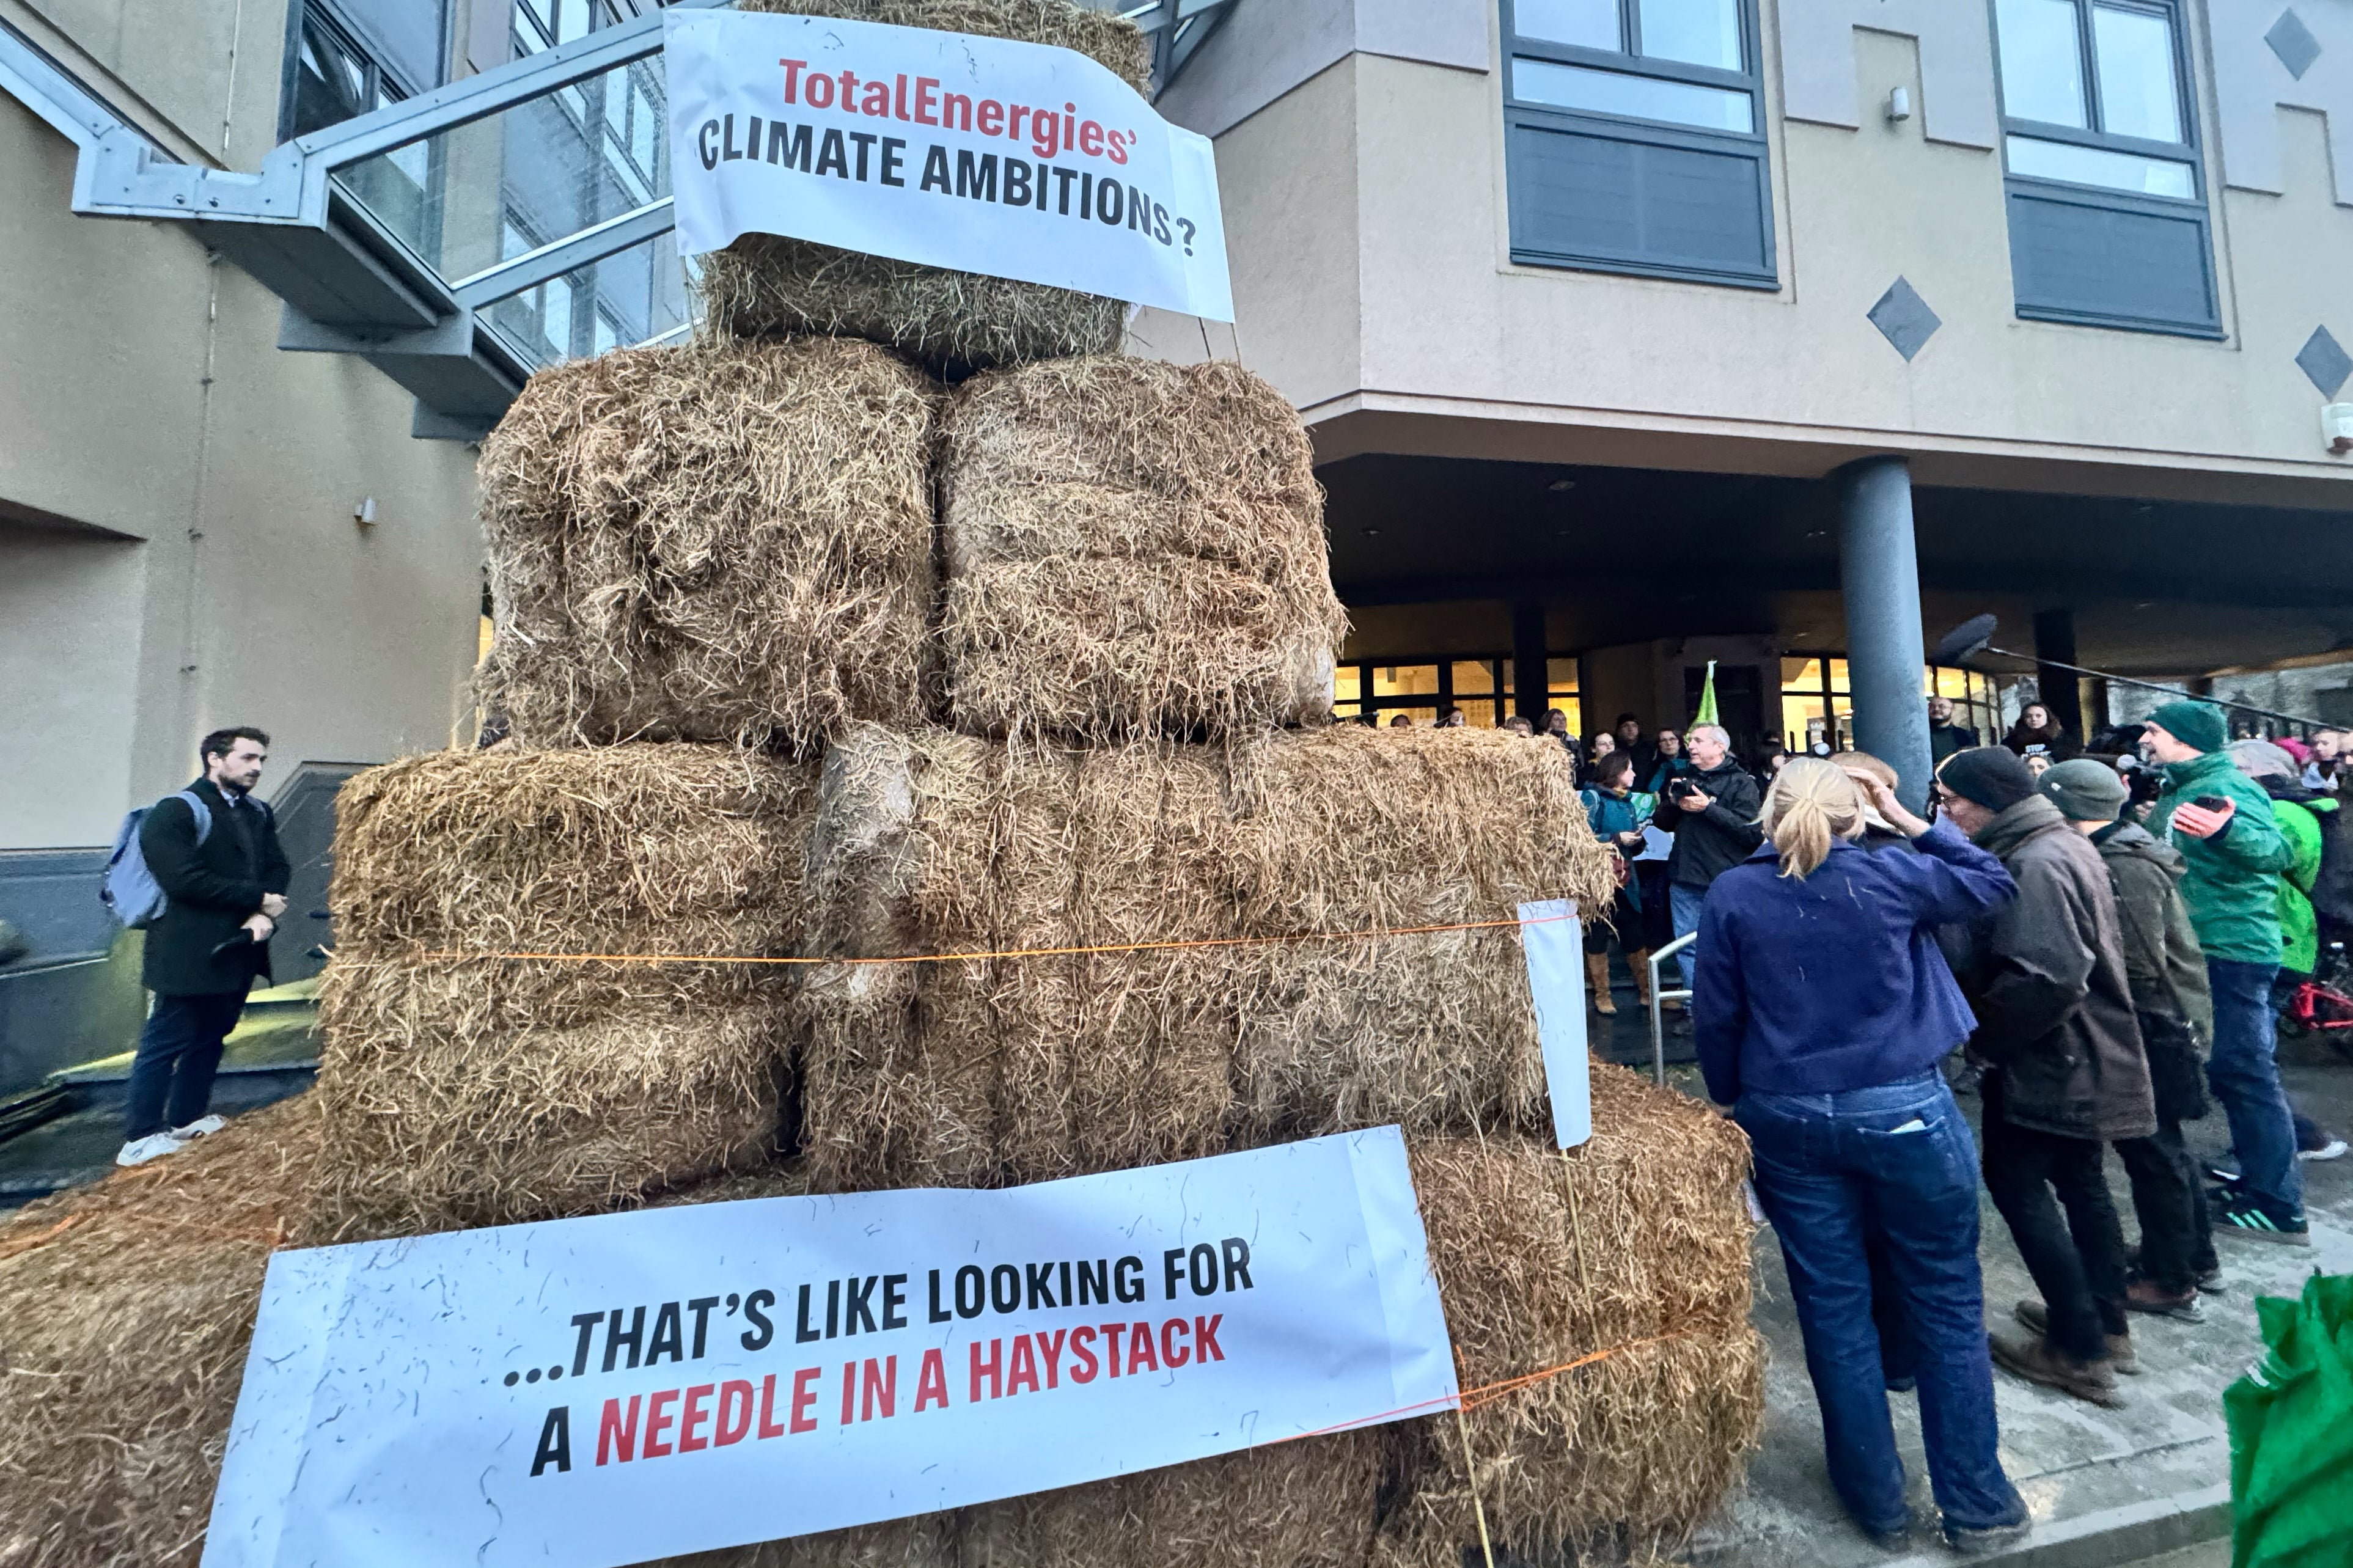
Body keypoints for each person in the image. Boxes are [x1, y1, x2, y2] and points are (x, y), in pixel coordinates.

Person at [1695, 759, 2027, 1551]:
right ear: (1857, 817)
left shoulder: (1734, 893)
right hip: (1903, 1106)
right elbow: (1992, 883)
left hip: (1784, 1113)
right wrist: (1907, 817)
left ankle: (1874, 1500)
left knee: (1832, 1307)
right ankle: (1976, 1503)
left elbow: (1715, 1014)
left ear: (1766, 817)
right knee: (1946, 1304)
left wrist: (1727, 1098)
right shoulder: (1893, 873)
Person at [1934, 747, 2154, 1406]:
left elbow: (2047, 977)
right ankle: (2101, 1320)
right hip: (2089, 1051)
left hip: (2053, 1056)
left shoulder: (2033, 861)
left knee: (2018, 1184)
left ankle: (2078, 1349)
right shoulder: (2056, 841)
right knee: (2082, 1184)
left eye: (1952, 800)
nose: (1945, 811)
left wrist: (1985, 1044)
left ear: (1988, 799)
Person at [2037, 760, 2218, 1316]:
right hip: (2159, 1018)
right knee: (2163, 1149)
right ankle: (2192, 1253)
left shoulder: (2123, 864)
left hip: (2153, 1023)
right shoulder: (2123, 849)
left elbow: (2138, 963)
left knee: (2153, 1151)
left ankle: (2171, 1278)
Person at [2143, 700, 2308, 1244]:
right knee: (2236, 1071)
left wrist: (2227, 830)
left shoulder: (2223, 786)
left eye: (2154, 731)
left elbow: (2275, 850)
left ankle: (2277, 1204)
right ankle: (2261, 1186)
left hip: (2232, 949)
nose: (2146, 738)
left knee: (2244, 1072)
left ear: (2182, 738)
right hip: (2207, 946)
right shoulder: (2179, 784)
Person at [116, 727, 291, 1168]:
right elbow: (183, 880)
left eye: (261, 760)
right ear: (215, 759)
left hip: (239, 945)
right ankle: (140, 1136)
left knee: (212, 1035)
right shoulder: (174, 812)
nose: (256, 768)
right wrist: (255, 901)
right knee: (166, 1039)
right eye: (248, 758)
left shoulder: (257, 812)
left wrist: (263, 915)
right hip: (185, 948)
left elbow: (276, 867)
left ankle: (188, 1116)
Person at [2225, 741, 2348, 1165]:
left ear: (2253, 772)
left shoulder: (2284, 815)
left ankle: (2290, 1142)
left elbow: (2257, 860)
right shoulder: (2287, 809)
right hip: (2279, 942)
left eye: (2232, 768)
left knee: (2247, 1058)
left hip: (2279, 943)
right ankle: (2282, 1139)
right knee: (2250, 1055)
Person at [1651, 723, 1764, 998]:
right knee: (1688, 947)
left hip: (1725, 879)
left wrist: (1708, 809)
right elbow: (1662, 824)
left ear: (1719, 747)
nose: (1690, 746)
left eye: (1699, 741)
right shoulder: (1681, 777)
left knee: (1731, 945)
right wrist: (1672, 802)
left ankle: (1733, 1006)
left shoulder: (1742, 783)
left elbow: (1751, 833)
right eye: (1691, 741)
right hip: (1685, 878)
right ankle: (1696, 1009)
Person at [1580, 752, 1656, 1016]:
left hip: (1625, 878)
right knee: (1598, 933)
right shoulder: (1593, 798)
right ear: (1616, 772)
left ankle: (1647, 993)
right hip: (1601, 879)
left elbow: (1631, 847)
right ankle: (1602, 995)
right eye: (1629, 769)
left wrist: (1638, 840)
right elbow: (1581, 838)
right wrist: (1615, 838)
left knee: (1634, 932)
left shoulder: (1629, 804)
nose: (1634, 775)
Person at [2002, 702, 2080, 763]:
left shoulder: (2061, 738)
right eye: (2028, 716)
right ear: (2023, 719)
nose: (2034, 719)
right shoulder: (2012, 741)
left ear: (2047, 717)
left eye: (2038, 716)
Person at [1928, 697, 1981, 766]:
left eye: (1942, 706)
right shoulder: (1921, 735)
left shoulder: (1965, 736)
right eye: (1932, 706)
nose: (1936, 709)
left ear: (1952, 711)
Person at [1640, 727, 1687, 794]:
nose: (1669, 743)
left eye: (1672, 739)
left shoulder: (1691, 762)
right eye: (1664, 740)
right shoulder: (1653, 767)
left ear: (1679, 742)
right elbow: (1650, 790)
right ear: (1659, 744)